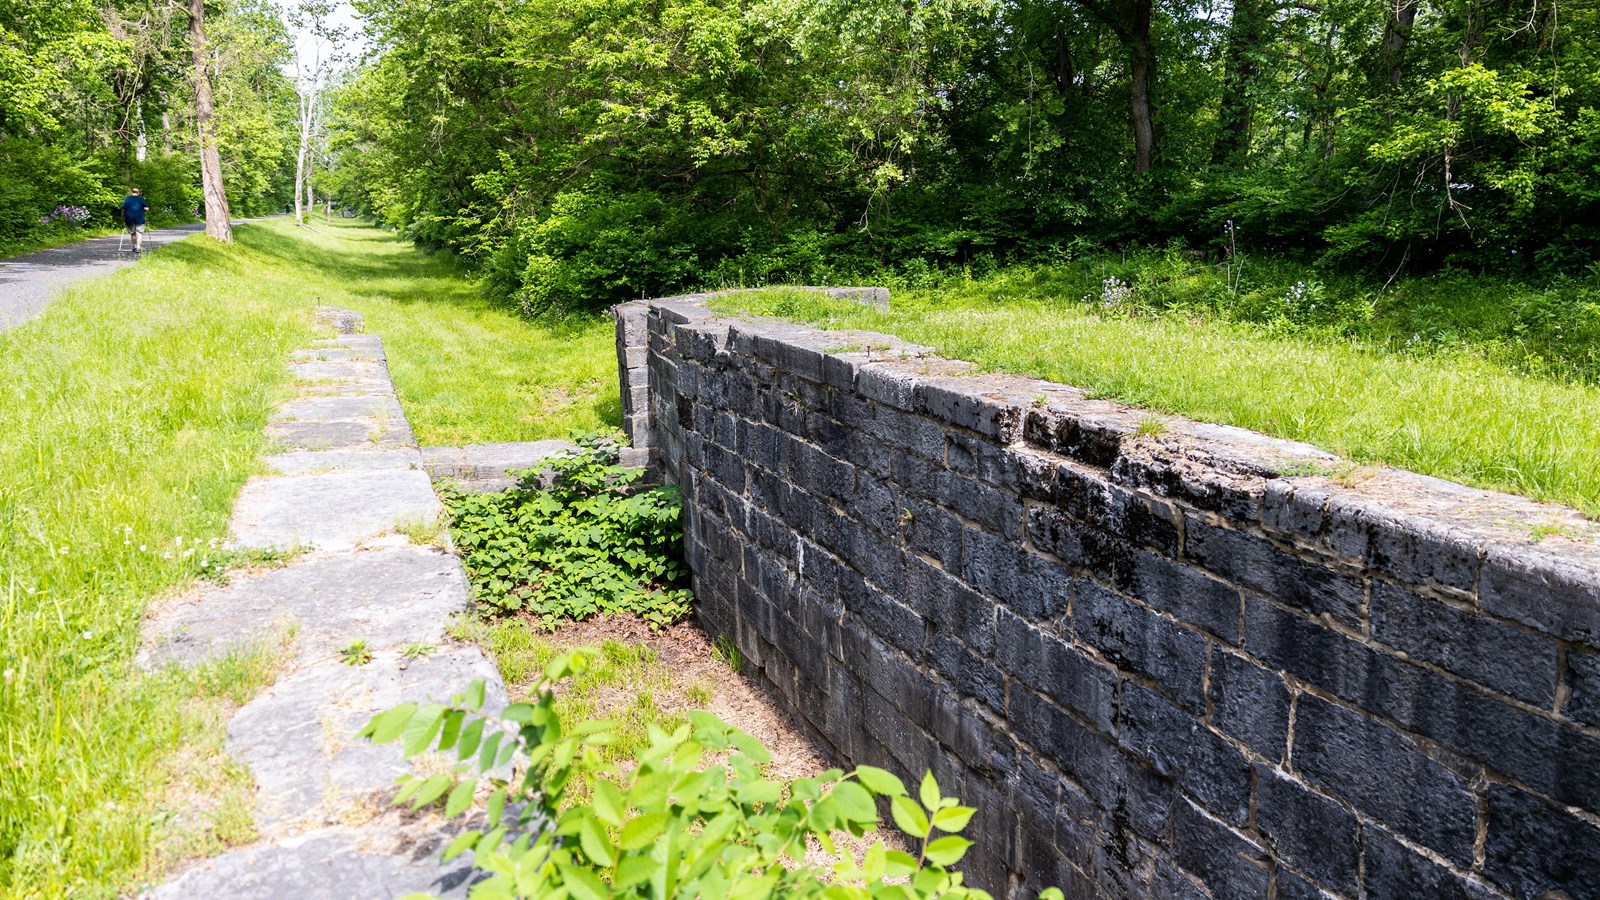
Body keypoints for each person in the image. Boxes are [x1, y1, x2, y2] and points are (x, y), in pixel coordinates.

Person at [120, 188, 151, 254]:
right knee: (139, 233)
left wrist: (123, 216)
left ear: (131, 192)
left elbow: (123, 208)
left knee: (133, 233)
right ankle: (138, 247)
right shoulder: (141, 199)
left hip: (129, 218)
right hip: (140, 218)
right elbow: (147, 208)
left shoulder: (127, 198)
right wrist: (143, 209)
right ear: (138, 193)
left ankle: (134, 247)